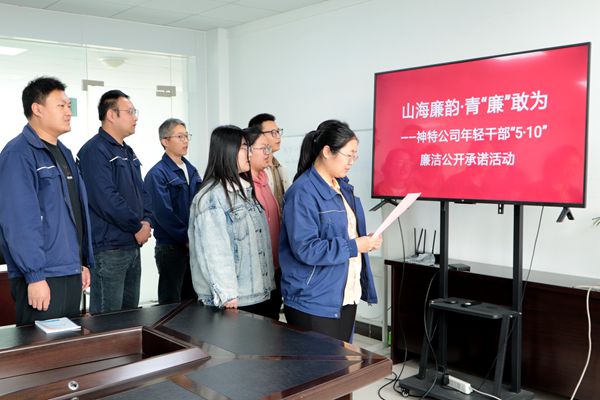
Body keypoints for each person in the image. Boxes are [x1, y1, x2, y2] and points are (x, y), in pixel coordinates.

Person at [0, 76, 93, 325]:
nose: (68, 112)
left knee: (68, 344)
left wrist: (82, 262)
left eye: (68, 106)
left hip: (69, 271)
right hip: (42, 276)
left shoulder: (64, 153)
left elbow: (74, 213)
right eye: (61, 106)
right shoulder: (18, 154)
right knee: (41, 346)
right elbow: (19, 221)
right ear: (37, 109)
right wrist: (34, 276)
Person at [279, 120, 382, 343]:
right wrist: (355, 245)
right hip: (313, 299)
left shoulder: (342, 187)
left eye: (355, 156)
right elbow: (306, 248)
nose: (352, 162)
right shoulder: (302, 192)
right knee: (319, 364)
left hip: (344, 294)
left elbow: (344, 232)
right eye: (348, 155)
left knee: (340, 362)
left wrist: (364, 241)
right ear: (327, 151)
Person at [77, 90, 151, 314]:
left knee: (130, 317)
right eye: (130, 112)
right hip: (109, 249)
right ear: (111, 115)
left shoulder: (127, 151)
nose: (135, 117)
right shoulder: (94, 151)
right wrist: (136, 226)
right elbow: (106, 199)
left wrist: (147, 222)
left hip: (132, 246)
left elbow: (142, 192)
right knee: (107, 321)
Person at [188, 125, 274, 314]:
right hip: (234, 300)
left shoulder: (244, 190)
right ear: (228, 150)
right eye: (244, 147)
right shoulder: (212, 197)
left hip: (256, 294)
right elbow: (215, 252)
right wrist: (227, 295)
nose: (249, 153)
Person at [144, 118, 201, 304]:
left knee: (192, 302)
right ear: (165, 141)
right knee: (171, 303)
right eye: (180, 137)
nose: (185, 141)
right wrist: (187, 238)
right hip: (171, 248)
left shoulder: (191, 170)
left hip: (192, 245)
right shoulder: (157, 174)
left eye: (186, 136)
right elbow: (163, 214)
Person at [246, 127, 282, 319]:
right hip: (255, 275)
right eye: (264, 148)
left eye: (269, 148)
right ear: (248, 151)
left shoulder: (265, 180)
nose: (269, 153)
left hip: (273, 269)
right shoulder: (243, 187)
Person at [248, 113, 289, 209]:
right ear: (257, 135)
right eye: (273, 132)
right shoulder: (254, 172)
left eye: (278, 131)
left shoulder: (281, 167)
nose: (278, 136)